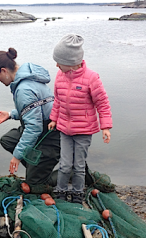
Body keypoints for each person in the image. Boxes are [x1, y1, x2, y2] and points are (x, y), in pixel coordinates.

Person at [48, 34, 113, 204]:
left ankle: (77, 193)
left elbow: (102, 103)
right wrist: (53, 118)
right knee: (64, 164)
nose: (56, 65)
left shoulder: (91, 78)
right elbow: (58, 100)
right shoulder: (59, 76)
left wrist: (105, 127)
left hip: (84, 131)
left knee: (78, 166)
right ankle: (61, 191)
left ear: (70, 62)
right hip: (64, 129)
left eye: (59, 61)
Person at [0, 48, 60, 191]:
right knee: (8, 140)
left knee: (34, 186)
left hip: (50, 136)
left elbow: (34, 128)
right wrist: (11, 114)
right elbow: (36, 109)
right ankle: (37, 167)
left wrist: (17, 157)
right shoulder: (27, 77)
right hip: (43, 126)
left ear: (4, 70)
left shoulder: (23, 89)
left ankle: (70, 172)